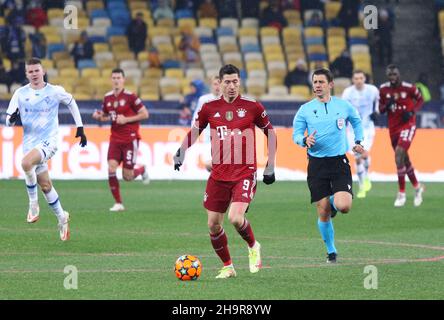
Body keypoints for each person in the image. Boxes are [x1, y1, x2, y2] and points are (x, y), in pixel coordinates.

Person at [173, 64, 277, 278]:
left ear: (240, 82)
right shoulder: (209, 108)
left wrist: (270, 165)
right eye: (227, 82)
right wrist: (181, 151)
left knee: (236, 218)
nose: (231, 86)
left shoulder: (252, 106)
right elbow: (194, 132)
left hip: (244, 172)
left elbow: (271, 134)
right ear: (219, 83)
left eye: (235, 82)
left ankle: (253, 246)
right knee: (213, 224)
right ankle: (228, 266)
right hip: (219, 174)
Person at [4, 57, 87, 241]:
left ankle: (33, 205)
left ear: (43, 71)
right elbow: (8, 120)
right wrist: (13, 118)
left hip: (49, 142)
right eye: (30, 71)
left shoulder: (54, 91)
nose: (34, 74)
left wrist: (80, 127)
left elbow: (71, 102)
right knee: (45, 185)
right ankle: (62, 217)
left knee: (25, 163)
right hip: (29, 144)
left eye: (36, 71)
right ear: (26, 74)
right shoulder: (20, 93)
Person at [292, 68, 364, 263]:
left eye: (321, 82)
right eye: (315, 82)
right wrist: (304, 140)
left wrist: (359, 140)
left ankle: (333, 203)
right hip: (316, 164)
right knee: (322, 210)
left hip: (339, 161)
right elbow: (296, 134)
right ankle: (331, 251)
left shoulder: (343, 106)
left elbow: (357, 121)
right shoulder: (305, 109)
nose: (317, 85)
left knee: (344, 206)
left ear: (330, 84)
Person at [92, 68, 150, 212]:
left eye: (119, 78)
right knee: (111, 167)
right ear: (111, 80)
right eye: (114, 78)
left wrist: (127, 119)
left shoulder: (131, 97)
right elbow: (106, 115)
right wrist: (99, 116)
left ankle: (141, 169)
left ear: (123, 80)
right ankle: (118, 203)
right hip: (115, 139)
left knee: (128, 176)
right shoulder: (107, 98)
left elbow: (145, 114)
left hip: (130, 139)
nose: (116, 80)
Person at [379, 64, 425, 207]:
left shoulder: (409, 87)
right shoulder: (383, 89)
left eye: (395, 75)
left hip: (408, 125)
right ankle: (417, 188)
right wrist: (387, 105)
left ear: (399, 75)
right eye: (390, 75)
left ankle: (401, 194)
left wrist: (412, 112)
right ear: (387, 76)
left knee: (399, 154)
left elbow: (421, 99)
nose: (393, 77)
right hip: (393, 128)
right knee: (404, 160)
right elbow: (380, 110)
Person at [342, 70, 379, 198]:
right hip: (352, 129)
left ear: (364, 79)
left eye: (361, 78)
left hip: (367, 127)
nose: (358, 80)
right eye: (356, 78)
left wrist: (376, 112)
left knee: (363, 154)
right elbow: (343, 108)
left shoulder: (372, 90)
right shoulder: (348, 92)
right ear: (353, 80)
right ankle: (362, 186)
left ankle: (367, 174)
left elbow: (378, 102)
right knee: (357, 158)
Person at [191, 75, 221, 171]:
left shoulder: (229, 100)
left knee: (221, 167)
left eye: (219, 84)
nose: (217, 87)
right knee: (209, 166)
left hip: (225, 138)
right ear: (211, 86)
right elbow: (196, 117)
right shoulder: (204, 100)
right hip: (209, 138)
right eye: (215, 84)